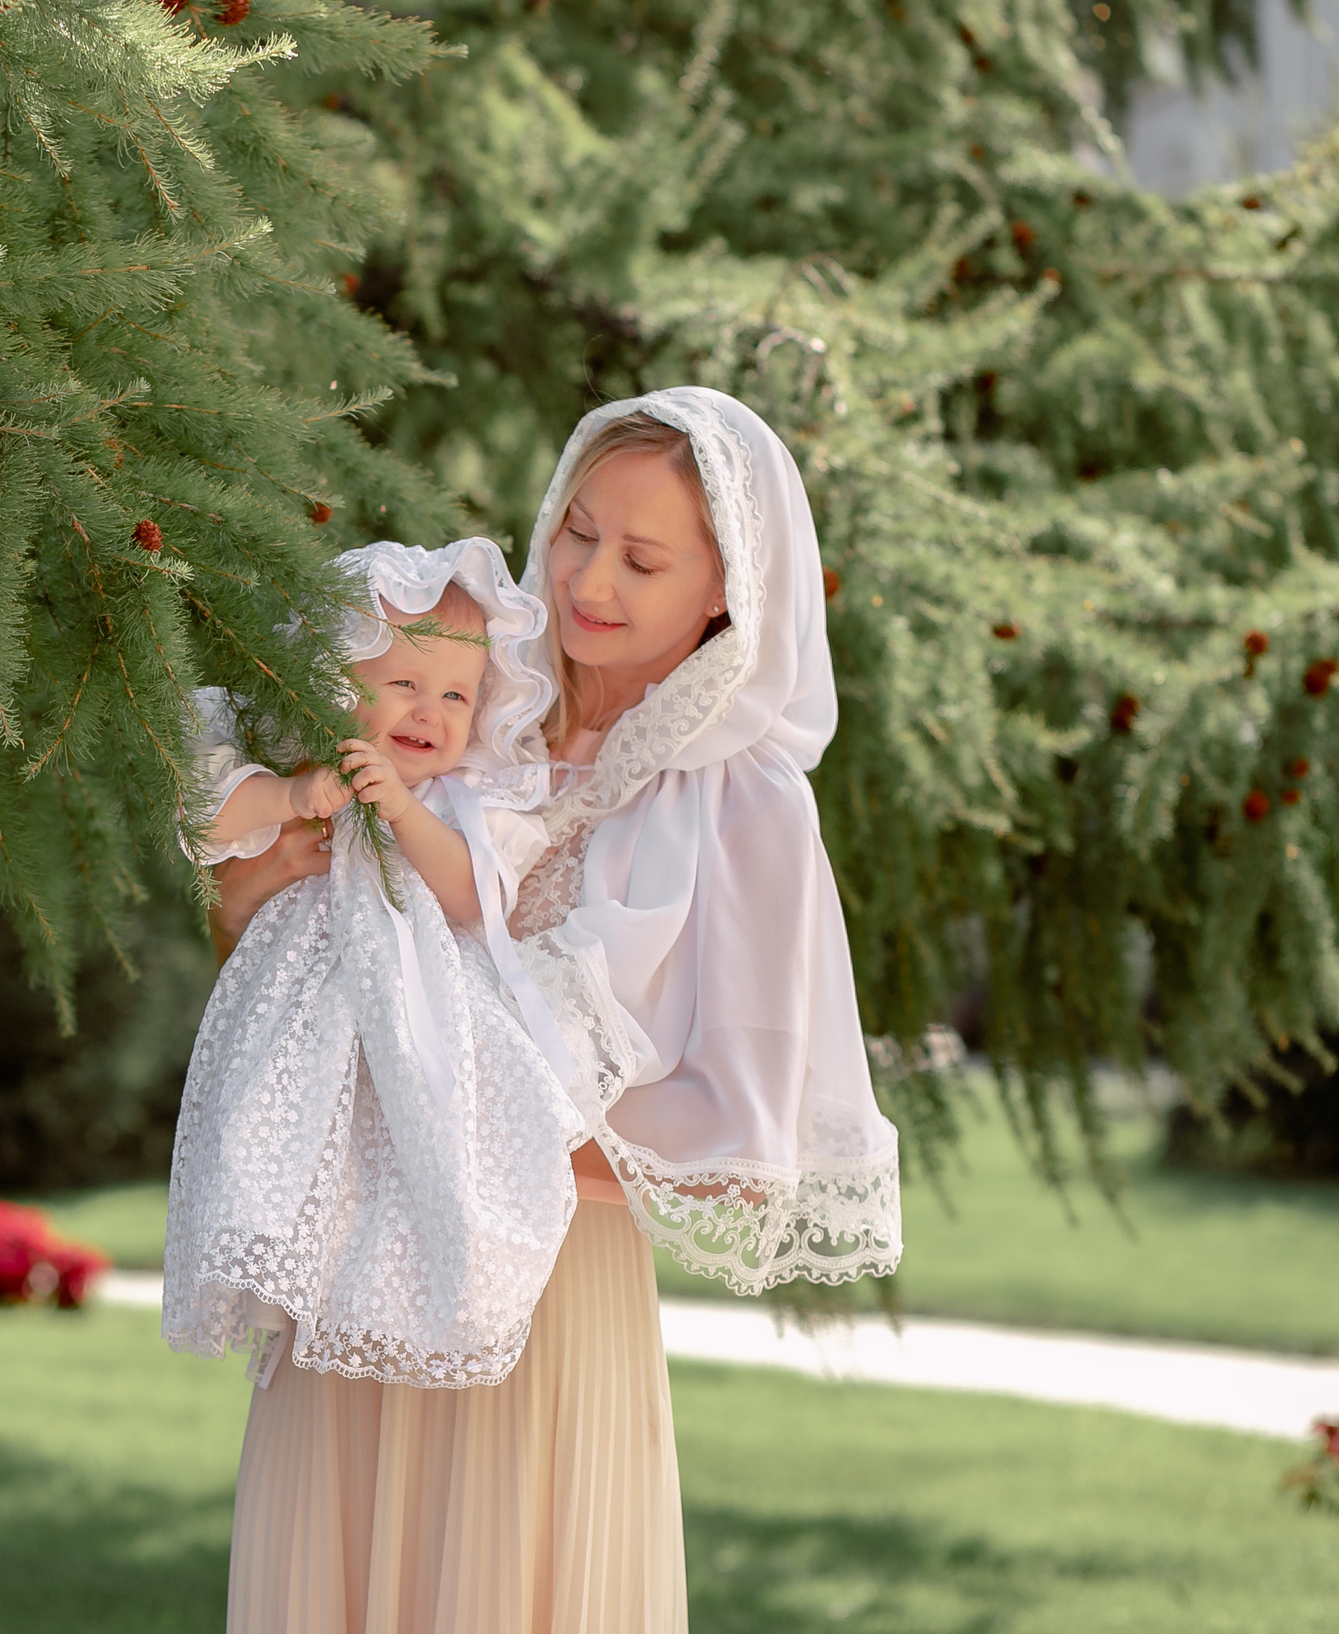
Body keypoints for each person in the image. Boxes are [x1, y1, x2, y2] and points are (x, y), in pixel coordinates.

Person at [214, 388, 902, 1633]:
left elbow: (741, 1150)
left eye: (642, 558)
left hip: (541, 1300)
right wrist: (264, 870)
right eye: (578, 531)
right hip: (354, 1264)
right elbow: (268, 935)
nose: (586, 579)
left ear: (727, 590)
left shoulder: (745, 809)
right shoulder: (460, 704)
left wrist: (475, 1134)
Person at [165, 540, 586, 1391]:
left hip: (417, 1006)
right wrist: (292, 796)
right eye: (403, 682)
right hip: (303, 1010)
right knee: (280, 1130)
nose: (431, 712)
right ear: (334, 679)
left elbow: (473, 897)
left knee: (409, 1143)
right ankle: (275, 1261)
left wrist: (401, 810)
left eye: (457, 694)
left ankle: (398, 1281)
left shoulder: (464, 798)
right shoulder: (300, 768)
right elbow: (206, 818)